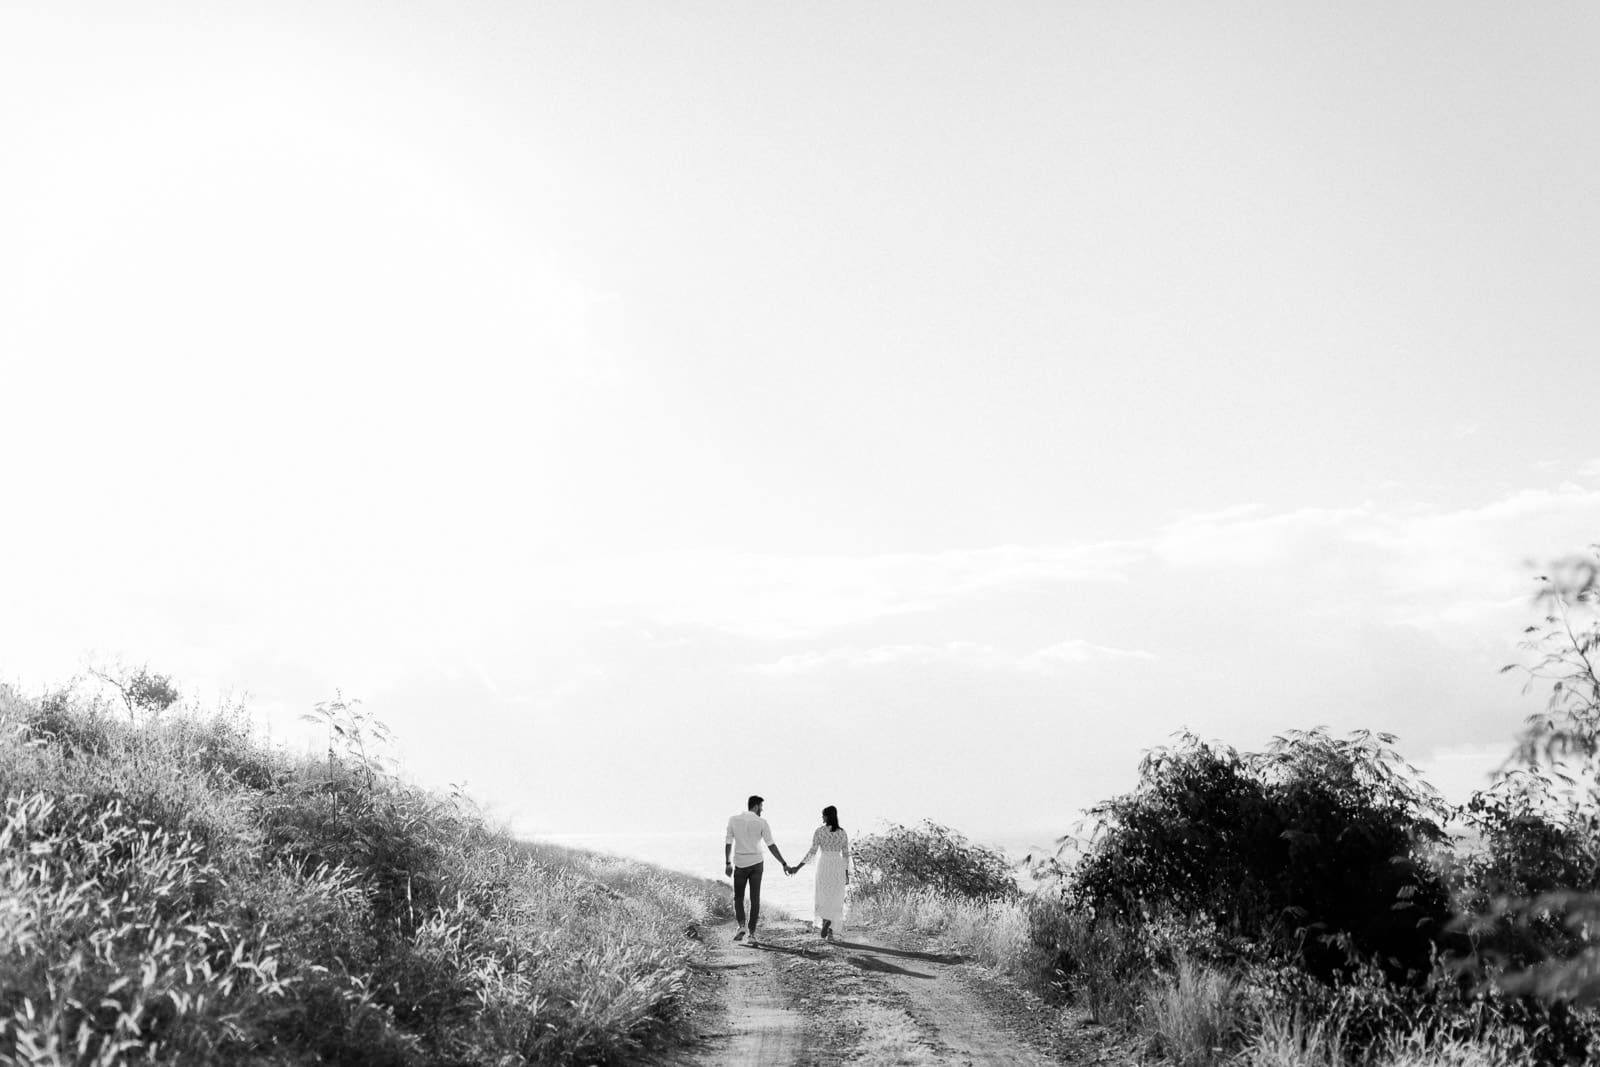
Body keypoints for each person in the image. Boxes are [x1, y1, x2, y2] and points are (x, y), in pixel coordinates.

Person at [724, 795, 793, 945]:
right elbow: (771, 845)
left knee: (739, 898)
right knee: (755, 899)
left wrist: (728, 863)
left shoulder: (733, 820)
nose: (762, 809)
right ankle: (752, 934)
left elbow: (728, 842)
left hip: (740, 863)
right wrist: (783, 863)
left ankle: (742, 926)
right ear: (755, 806)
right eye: (761, 806)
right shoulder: (761, 822)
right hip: (756, 863)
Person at [792, 804, 850, 940]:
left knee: (823, 895)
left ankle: (825, 922)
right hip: (838, 865)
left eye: (823, 815)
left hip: (824, 864)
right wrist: (846, 874)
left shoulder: (819, 831)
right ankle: (830, 932)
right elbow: (846, 855)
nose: (822, 817)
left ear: (827, 816)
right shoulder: (842, 833)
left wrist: (797, 867)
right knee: (835, 898)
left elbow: (812, 852)